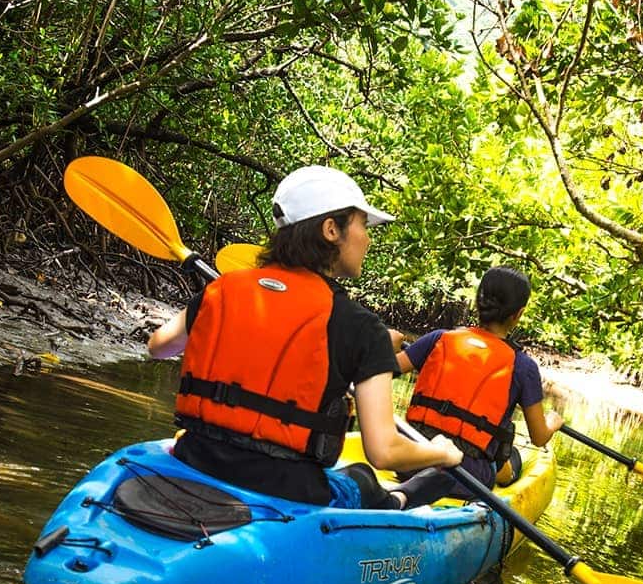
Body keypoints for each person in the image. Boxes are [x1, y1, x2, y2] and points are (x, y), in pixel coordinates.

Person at [146, 165, 461, 509]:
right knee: (361, 478)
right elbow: (384, 450)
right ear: (331, 230)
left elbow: (159, 347)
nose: (368, 238)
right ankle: (401, 500)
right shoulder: (359, 325)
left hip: (195, 460)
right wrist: (441, 452)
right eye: (362, 225)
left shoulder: (223, 291)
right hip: (287, 490)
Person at [389, 266, 562, 508]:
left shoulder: (439, 338)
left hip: (409, 459)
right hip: (466, 478)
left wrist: (391, 345)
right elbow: (538, 437)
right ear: (518, 314)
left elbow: (382, 370)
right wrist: (553, 422)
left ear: (477, 301)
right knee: (511, 457)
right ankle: (504, 469)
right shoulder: (523, 367)